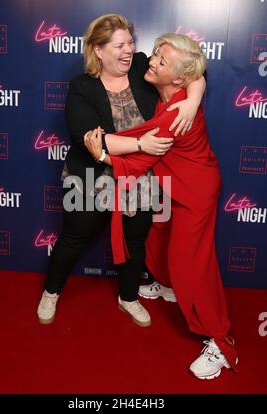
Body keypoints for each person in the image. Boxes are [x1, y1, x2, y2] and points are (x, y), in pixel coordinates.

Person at [84, 33, 238, 379]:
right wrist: (195, 96)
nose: (151, 61)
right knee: (156, 238)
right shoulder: (173, 90)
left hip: (194, 193)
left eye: (161, 61)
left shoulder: (174, 112)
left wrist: (103, 154)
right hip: (176, 187)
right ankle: (168, 286)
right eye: (155, 54)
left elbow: (140, 156)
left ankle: (220, 341)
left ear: (178, 78)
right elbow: (197, 73)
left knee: (191, 267)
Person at [37, 14, 205, 328]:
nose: (129, 49)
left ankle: (128, 297)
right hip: (91, 175)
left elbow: (192, 70)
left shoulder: (143, 66)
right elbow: (91, 142)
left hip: (139, 176)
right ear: (98, 50)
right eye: (120, 45)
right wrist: (142, 144)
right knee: (74, 237)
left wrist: (193, 100)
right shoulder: (81, 87)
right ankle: (51, 292)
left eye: (130, 41)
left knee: (135, 240)